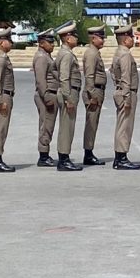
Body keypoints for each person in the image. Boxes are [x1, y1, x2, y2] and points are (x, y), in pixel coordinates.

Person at [110, 24, 140, 170]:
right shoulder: (125, 55)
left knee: (121, 126)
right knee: (125, 127)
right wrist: (127, 97)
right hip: (126, 93)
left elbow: (112, 72)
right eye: (131, 37)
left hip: (120, 92)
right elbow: (125, 78)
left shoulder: (118, 53)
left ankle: (119, 157)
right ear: (125, 39)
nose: (133, 39)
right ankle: (121, 158)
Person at [54, 21, 83, 171]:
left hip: (68, 92)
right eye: (74, 36)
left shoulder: (65, 53)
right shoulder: (66, 55)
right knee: (67, 128)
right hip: (69, 93)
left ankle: (64, 158)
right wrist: (68, 98)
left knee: (66, 127)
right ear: (67, 38)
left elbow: (56, 72)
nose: (77, 39)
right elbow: (64, 77)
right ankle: (64, 159)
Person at [0, 28, 17, 173]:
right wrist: (0, 101)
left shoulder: (3, 57)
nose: (11, 43)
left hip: (5, 95)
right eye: (8, 41)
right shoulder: (0, 59)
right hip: (3, 97)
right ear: (1, 42)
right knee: (0, 129)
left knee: (2, 129)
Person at [32, 28, 60, 167]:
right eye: (50, 42)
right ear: (42, 43)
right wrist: (47, 96)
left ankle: (45, 153)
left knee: (48, 125)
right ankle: (43, 156)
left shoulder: (46, 56)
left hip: (50, 94)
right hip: (46, 96)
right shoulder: (41, 57)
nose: (53, 45)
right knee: (46, 125)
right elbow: (40, 80)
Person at [81, 24, 108, 166]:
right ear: (93, 39)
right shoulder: (91, 54)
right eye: (100, 38)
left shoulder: (95, 52)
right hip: (94, 91)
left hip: (97, 90)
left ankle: (89, 152)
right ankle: (88, 154)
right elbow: (89, 76)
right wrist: (92, 95)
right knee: (91, 124)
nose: (103, 40)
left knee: (93, 123)